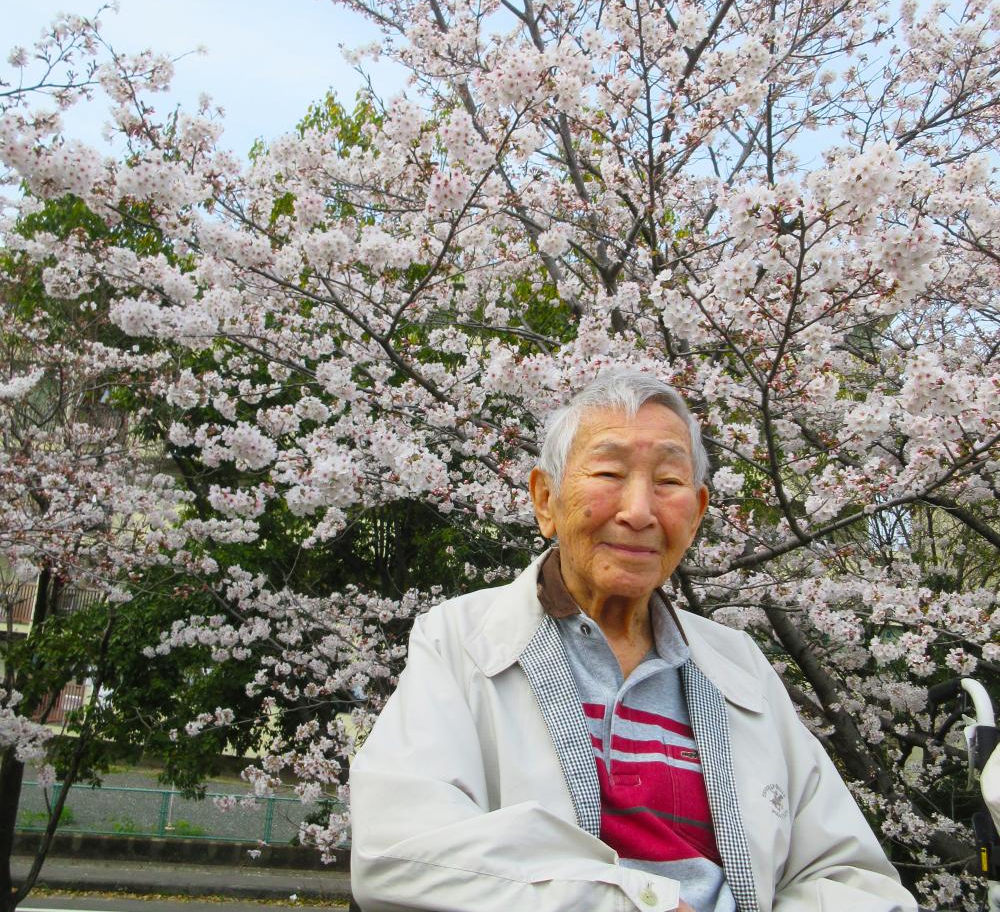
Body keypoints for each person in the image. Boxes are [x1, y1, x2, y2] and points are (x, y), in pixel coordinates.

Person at [349, 369, 919, 912]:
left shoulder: (738, 665)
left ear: (695, 515)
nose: (639, 511)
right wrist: (625, 902)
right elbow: (395, 852)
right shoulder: (460, 640)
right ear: (545, 500)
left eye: (669, 482)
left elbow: (852, 878)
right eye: (608, 474)